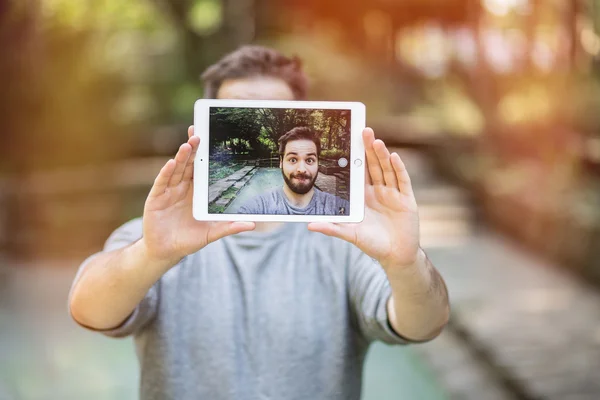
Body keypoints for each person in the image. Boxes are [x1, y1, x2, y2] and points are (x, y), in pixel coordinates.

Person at [68, 45, 450, 400]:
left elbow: (422, 325)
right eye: (237, 116)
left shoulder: (347, 237)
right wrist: (151, 254)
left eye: (269, 112)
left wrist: (405, 262)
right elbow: (88, 310)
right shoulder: (156, 235)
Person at [237, 126, 350, 215]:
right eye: (293, 160)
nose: (301, 169)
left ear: (317, 163)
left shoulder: (340, 208)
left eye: (309, 160)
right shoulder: (256, 207)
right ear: (281, 162)